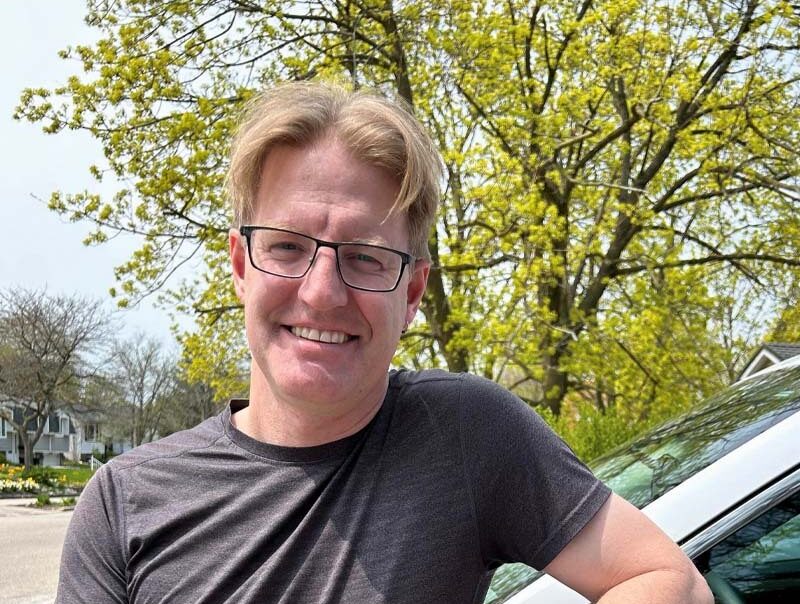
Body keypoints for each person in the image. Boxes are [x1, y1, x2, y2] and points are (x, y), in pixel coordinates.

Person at [56, 82, 712, 604]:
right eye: (286, 247)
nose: (321, 293)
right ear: (239, 265)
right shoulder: (122, 503)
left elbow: (667, 581)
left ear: (414, 293)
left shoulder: (466, 435)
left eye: (365, 259)